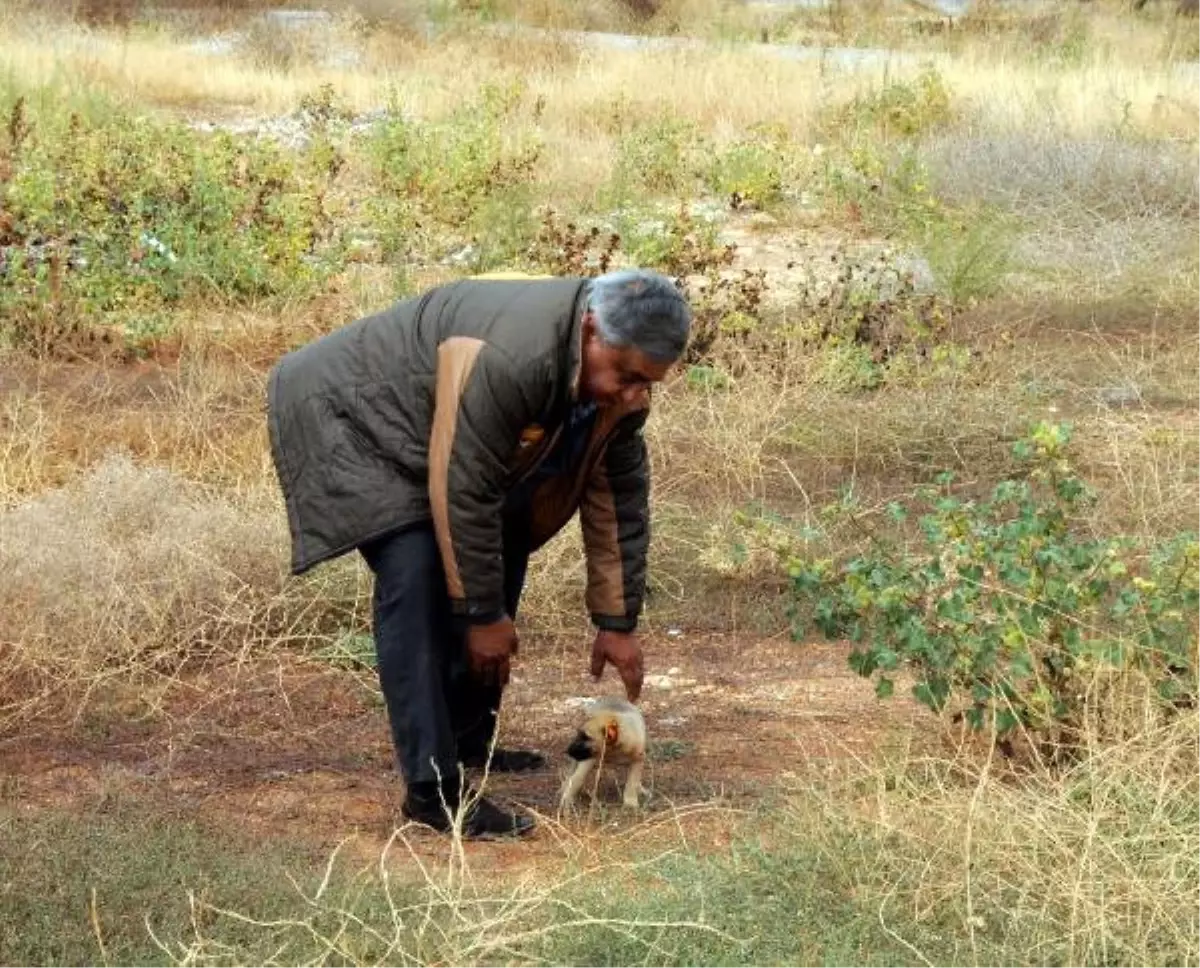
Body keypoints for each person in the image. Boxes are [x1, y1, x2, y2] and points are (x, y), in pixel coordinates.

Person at [265, 268, 692, 839]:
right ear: (590, 329)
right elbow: (463, 486)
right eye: (628, 376)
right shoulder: (511, 357)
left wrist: (616, 622)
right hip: (350, 412)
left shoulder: (614, 385)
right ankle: (432, 789)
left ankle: (467, 741)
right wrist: (482, 615)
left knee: (503, 531)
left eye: (650, 384)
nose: (636, 395)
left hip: (438, 423)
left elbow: (618, 500)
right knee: (414, 573)